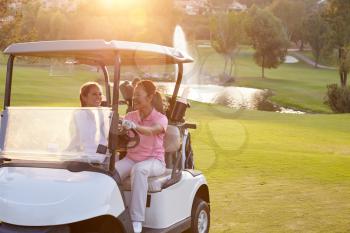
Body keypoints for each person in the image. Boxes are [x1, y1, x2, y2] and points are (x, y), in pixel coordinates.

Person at [116, 80, 167, 233]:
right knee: (110, 172)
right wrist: (120, 130)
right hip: (131, 159)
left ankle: (136, 220)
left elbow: (152, 131)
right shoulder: (130, 115)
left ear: (150, 98)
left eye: (138, 95)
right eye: (134, 94)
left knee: (139, 170)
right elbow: (123, 138)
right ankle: (113, 213)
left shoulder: (160, 118)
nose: (134, 98)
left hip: (154, 161)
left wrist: (135, 127)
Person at [66, 82, 108, 157]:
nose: (98, 97)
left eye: (100, 94)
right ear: (84, 97)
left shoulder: (104, 113)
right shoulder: (79, 114)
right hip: (83, 153)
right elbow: (76, 136)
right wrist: (67, 151)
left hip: (100, 154)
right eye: (94, 94)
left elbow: (104, 139)